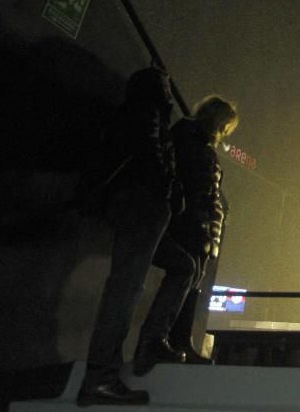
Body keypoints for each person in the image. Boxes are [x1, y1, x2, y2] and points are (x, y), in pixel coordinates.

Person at [77, 66, 180, 407]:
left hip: (133, 204)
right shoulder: (147, 114)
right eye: (166, 85)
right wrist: (166, 192)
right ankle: (101, 377)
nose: (170, 91)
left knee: (133, 283)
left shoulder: (131, 111)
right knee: (125, 289)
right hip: (142, 206)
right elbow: (151, 157)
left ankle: (104, 373)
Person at [132, 95, 239, 375]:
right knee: (187, 275)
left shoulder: (187, 139)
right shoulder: (192, 144)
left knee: (192, 280)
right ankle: (160, 340)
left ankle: (175, 340)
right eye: (226, 126)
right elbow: (197, 187)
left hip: (194, 224)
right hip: (189, 223)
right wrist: (202, 222)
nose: (226, 132)